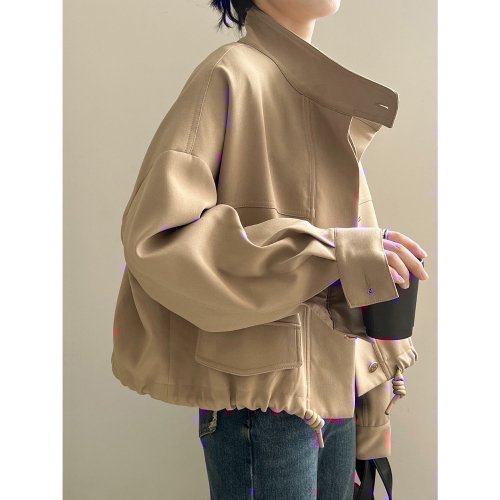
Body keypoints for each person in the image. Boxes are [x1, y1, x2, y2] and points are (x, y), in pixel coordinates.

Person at [112, 0, 429, 498]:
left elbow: (349, 268)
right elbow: (157, 239)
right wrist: (328, 252)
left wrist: (372, 415)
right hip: (263, 405)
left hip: (336, 398)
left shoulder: (324, 96)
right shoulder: (228, 75)